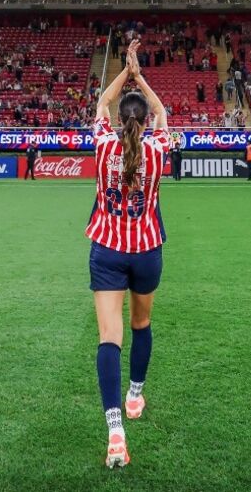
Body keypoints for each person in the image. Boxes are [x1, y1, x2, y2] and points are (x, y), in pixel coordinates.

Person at [86, 40, 169, 468]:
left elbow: (102, 101)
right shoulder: (157, 149)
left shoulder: (102, 144)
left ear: (119, 120)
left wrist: (125, 71)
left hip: (107, 249)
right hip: (147, 249)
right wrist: (141, 76)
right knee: (142, 323)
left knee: (109, 337)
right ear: (146, 121)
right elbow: (161, 112)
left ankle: (114, 429)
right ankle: (135, 394)